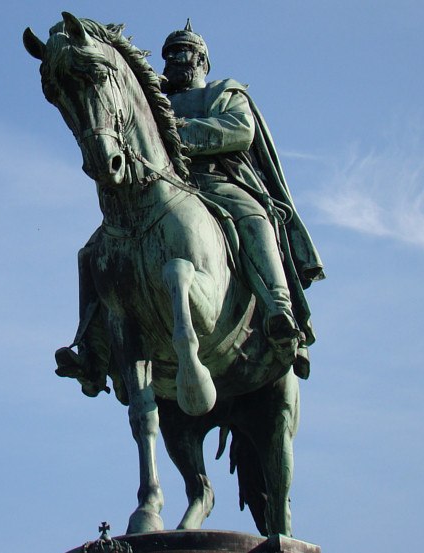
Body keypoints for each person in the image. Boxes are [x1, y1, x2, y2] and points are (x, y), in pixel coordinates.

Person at [56, 21, 324, 396]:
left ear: (201, 60)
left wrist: (175, 135)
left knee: (254, 218)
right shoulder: (153, 100)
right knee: (95, 252)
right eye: (169, 54)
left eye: (182, 53)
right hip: (155, 187)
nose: (174, 61)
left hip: (216, 183)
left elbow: (240, 130)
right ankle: (92, 351)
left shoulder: (223, 93)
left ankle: (279, 312)